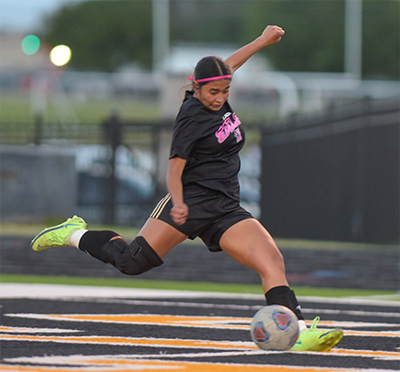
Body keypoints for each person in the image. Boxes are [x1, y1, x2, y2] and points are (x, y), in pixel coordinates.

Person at [31, 25, 343, 352]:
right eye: (214, 92)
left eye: (225, 90)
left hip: (225, 208)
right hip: (189, 203)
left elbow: (228, 65)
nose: (220, 97)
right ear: (197, 88)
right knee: (131, 262)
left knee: (272, 261)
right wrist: (178, 203)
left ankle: (300, 332)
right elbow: (174, 169)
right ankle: (73, 233)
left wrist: (262, 41)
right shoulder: (193, 117)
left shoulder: (217, 89)